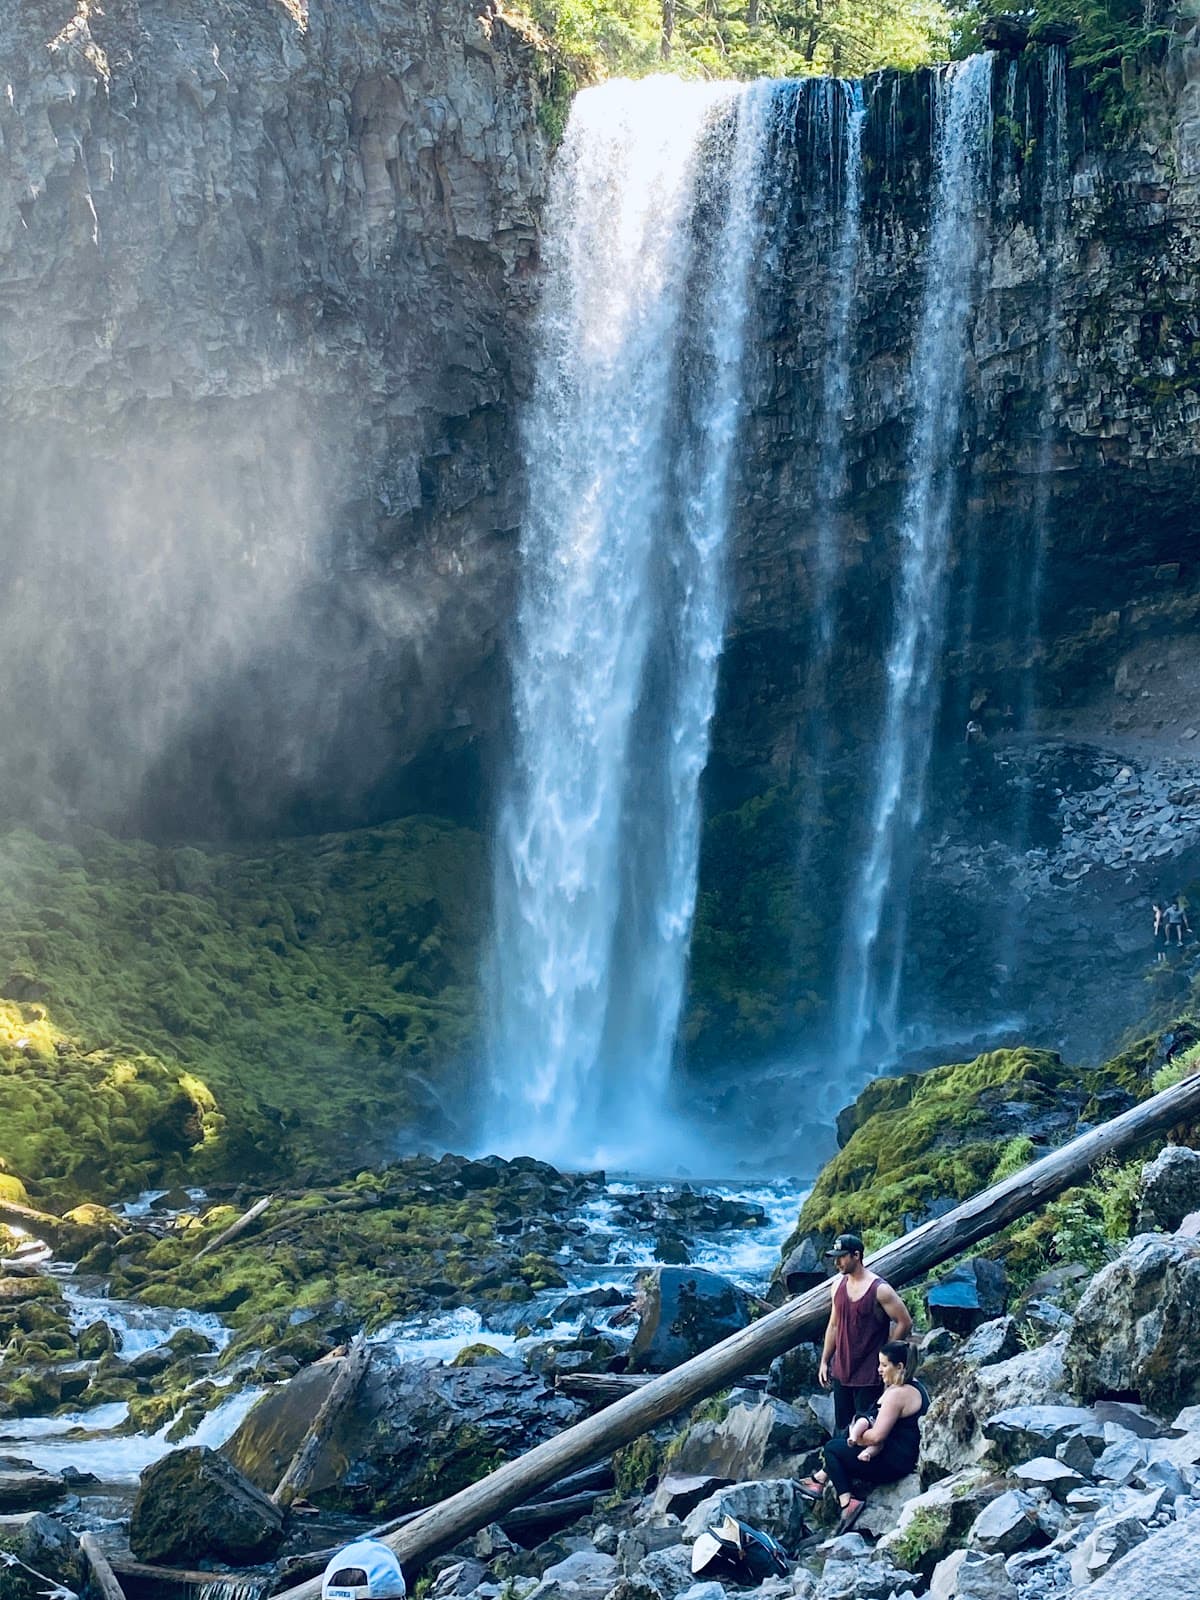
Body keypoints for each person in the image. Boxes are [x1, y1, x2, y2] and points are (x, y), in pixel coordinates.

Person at [809, 1340, 930, 1533]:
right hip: (904, 1456)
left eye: (884, 1365)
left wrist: (856, 1437)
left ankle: (847, 1502)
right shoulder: (917, 1387)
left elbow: (876, 1437)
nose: (879, 1370)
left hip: (894, 1462)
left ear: (899, 1367)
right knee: (842, 1443)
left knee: (832, 1449)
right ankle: (819, 1479)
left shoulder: (897, 1394)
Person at [815, 1232, 912, 1431]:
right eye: (836, 1258)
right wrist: (825, 1360)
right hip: (842, 1372)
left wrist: (887, 1358)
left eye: (842, 1257)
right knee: (843, 1429)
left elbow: (904, 1322)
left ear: (856, 1256)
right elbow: (834, 1325)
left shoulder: (879, 1289)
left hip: (869, 1375)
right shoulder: (837, 1286)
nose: (837, 1263)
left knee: (866, 1429)